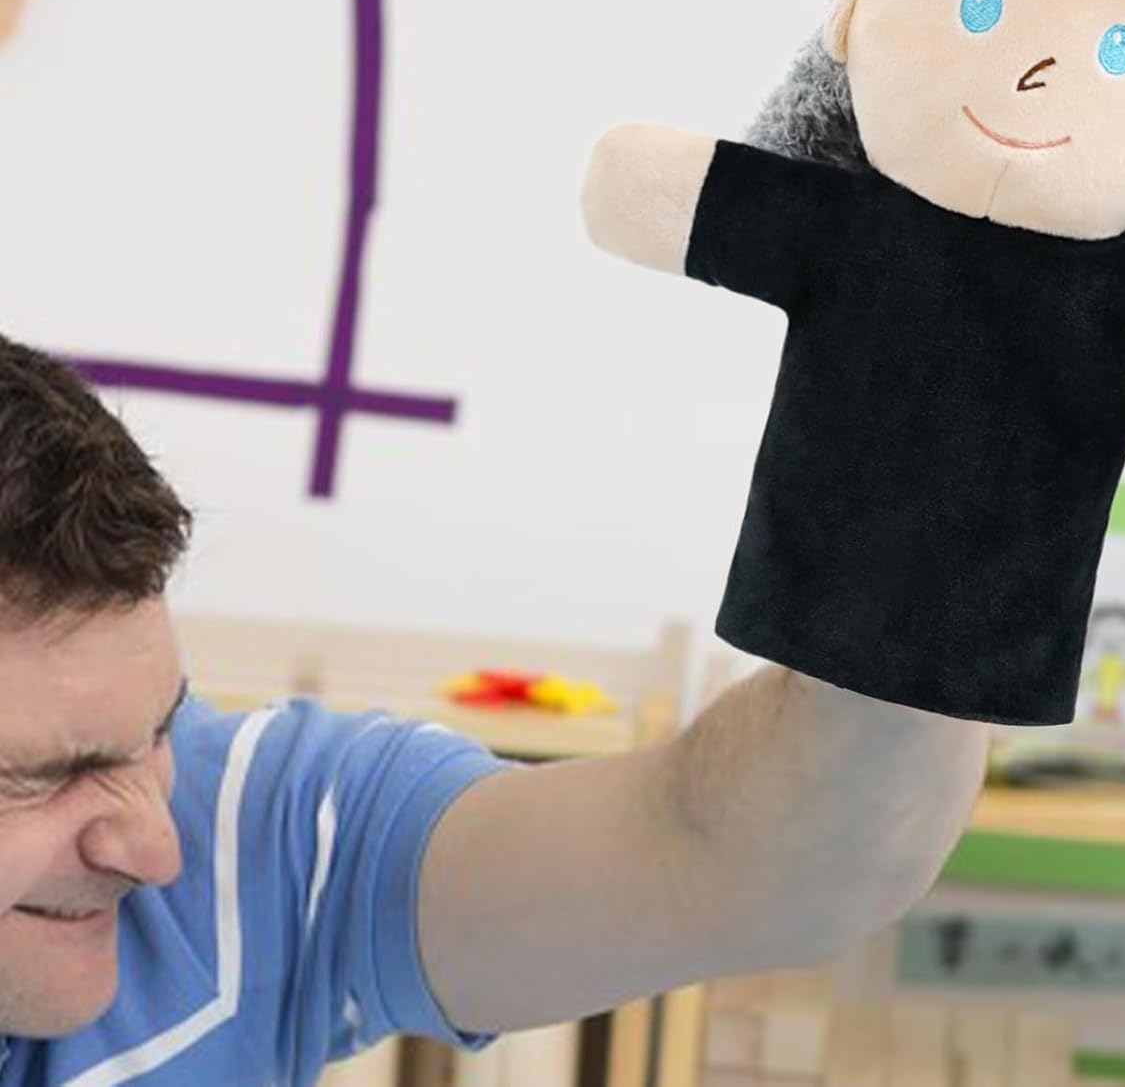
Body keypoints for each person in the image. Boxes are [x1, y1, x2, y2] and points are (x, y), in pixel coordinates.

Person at [0, 337, 988, 1084]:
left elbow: (763, 863)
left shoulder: (250, 835)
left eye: (159, 730)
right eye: (45, 780)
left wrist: (977, 413)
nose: (155, 851)